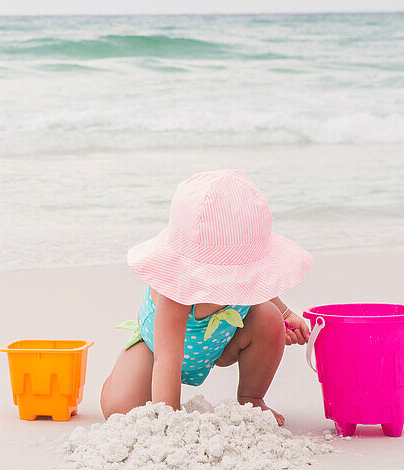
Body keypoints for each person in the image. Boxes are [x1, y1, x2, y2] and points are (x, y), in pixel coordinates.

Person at [101, 170, 312, 426]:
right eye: (226, 271)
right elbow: (166, 359)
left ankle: (252, 398)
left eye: (241, 270)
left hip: (219, 343)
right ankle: (118, 378)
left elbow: (262, 286)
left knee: (269, 317)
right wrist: (171, 419)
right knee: (122, 410)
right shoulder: (175, 289)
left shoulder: (248, 276)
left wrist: (286, 315)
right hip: (156, 348)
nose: (236, 279)